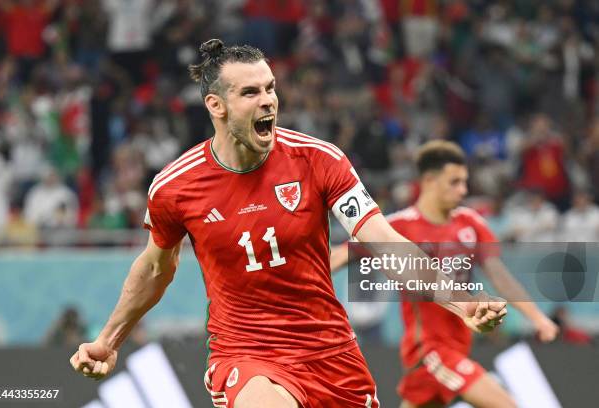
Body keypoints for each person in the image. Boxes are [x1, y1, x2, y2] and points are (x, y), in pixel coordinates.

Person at [70, 40, 506, 408]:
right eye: (250, 93)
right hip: (246, 352)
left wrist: (460, 300)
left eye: (271, 88)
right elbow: (154, 268)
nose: (267, 101)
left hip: (330, 351)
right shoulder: (176, 187)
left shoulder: (319, 160)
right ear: (215, 106)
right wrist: (108, 340)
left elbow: (382, 239)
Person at [332, 140, 558, 408]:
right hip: (430, 351)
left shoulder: (470, 224)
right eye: (455, 182)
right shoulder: (397, 228)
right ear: (429, 180)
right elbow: (338, 256)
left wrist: (537, 318)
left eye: (465, 182)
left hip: (456, 347)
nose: (463, 190)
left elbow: (500, 277)